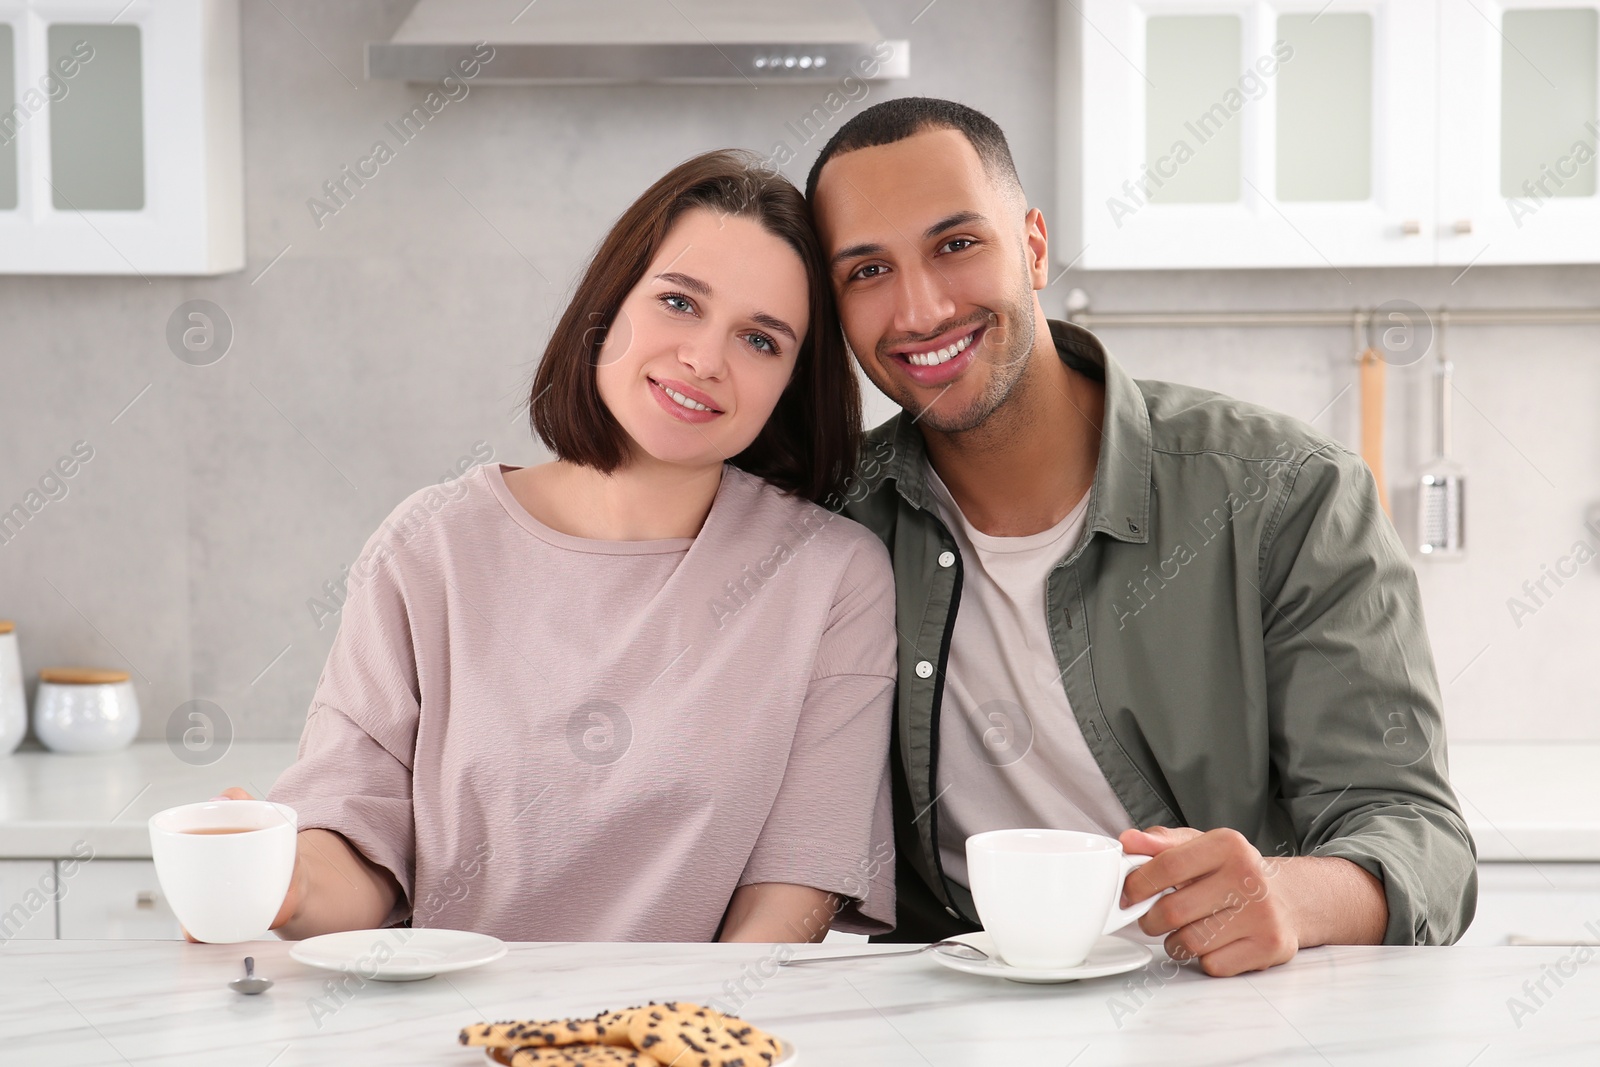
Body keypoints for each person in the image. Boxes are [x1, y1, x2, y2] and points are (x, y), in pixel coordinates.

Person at [806, 97, 1477, 976]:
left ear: (1034, 246)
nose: (921, 308)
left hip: (1228, 1008)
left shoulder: (1288, 493)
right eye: (867, 271)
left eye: (957, 245)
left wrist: (1288, 895)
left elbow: (1421, 837)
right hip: (947, 1016)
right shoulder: (828, 521)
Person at [198, 149, 897, 944]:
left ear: (791, 384)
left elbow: (794, 892)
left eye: (761, 340)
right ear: (609, 308)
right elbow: (356, 850)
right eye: (677, 302)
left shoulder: (831, 576)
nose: (704, 359)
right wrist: (281, 881)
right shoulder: (430, 547)